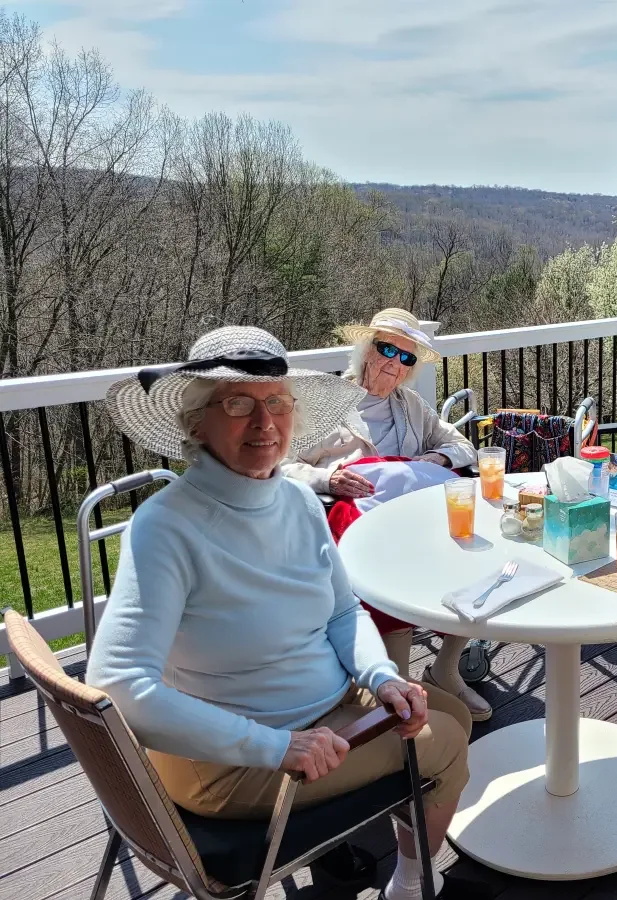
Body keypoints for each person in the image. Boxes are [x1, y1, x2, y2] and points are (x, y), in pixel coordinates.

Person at [90, 325, 489, 900]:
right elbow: (118, 687)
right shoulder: (168, 525)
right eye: (237, 403)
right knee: (448, 739)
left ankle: (373, 843)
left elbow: (342, 612)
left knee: (446, 706)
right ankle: (409, 885)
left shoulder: (300, 499)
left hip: (323, 713)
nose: (264, 422)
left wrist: (381, 677)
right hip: (231, 756)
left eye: (277, 402)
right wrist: (275, 747)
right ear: (196, 423)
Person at [282, 308, 490, 722]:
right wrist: (329, 479)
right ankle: (398, 684)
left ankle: (446, 671)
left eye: (407, 357)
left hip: (408, 515)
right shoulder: (323, 403)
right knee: (393, 574)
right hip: (351, 519)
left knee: (474, 558)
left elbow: (463, 447)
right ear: (366, 349)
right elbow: (283, 465)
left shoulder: (410, 404)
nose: (395, 362)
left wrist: (435, 455)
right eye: (387, 349)